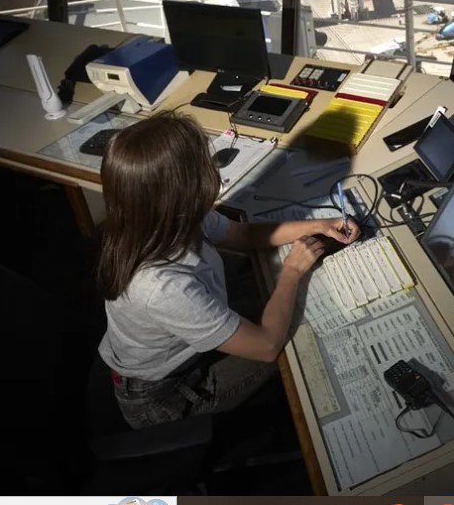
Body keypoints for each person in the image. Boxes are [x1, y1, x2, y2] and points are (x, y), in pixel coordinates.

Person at [97, 113, 360, 429]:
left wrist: (318, 225)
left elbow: (244, 235)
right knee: (301, 334)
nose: (215, 171)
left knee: (283, 303)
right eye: (205, 166)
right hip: (167, 394)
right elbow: (266, 346)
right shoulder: (162, 287)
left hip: (184, 347)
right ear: (179, 192)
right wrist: (292, 270)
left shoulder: (163, 217)